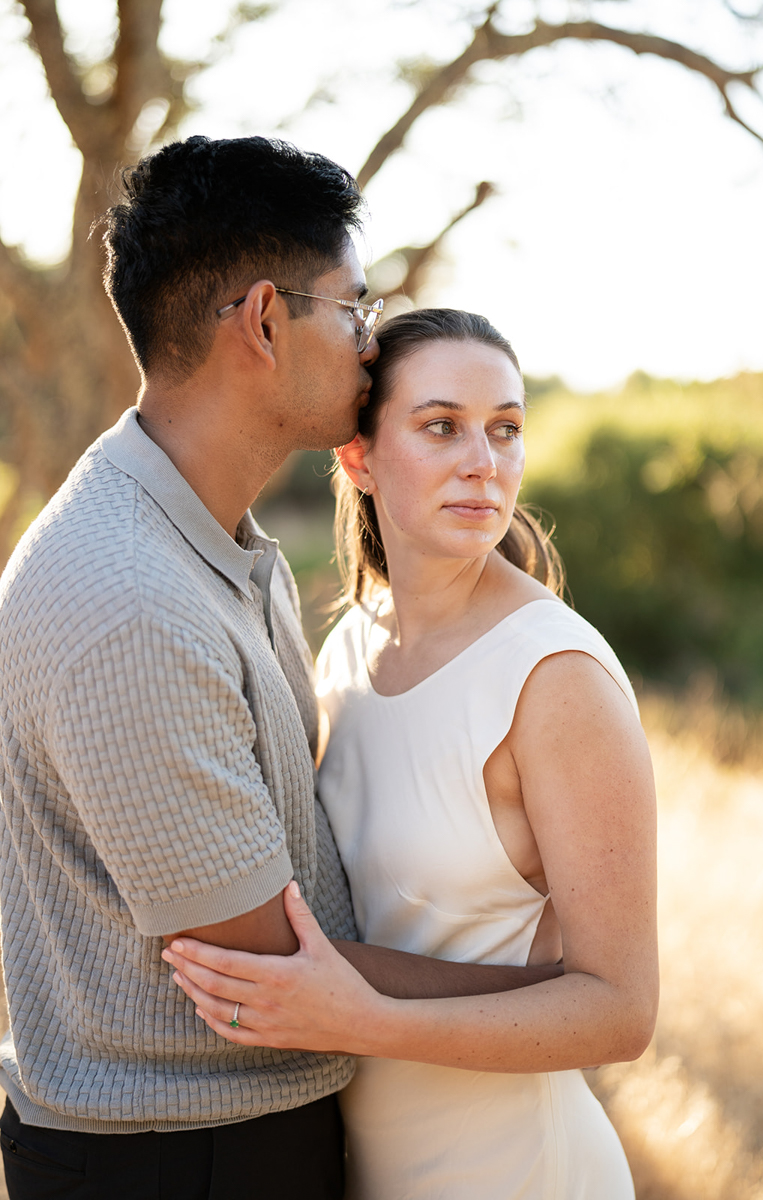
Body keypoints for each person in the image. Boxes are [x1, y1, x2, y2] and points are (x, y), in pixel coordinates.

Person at [0, 142, 562, 1200]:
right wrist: (547, 992)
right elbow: (275, 969)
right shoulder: (131, 599)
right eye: (350, 308)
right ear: (263, 321)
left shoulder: (212, 542)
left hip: (228, 1140)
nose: (367, 344)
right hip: (172, 1163)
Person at [163, 309, 659, 1199]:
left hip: (519, 1169)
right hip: (368, 1163)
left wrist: (365, 1019)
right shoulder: (348, 646)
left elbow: (620, 1011)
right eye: (441, 426)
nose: (485, 461)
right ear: (358, 456)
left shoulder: (556, 678)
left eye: (506, 429)